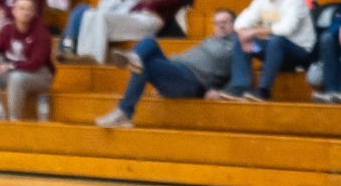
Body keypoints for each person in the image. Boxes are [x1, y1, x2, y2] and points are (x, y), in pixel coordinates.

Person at [95, 9, 240, 128]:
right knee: (149, 41)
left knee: (144, 65)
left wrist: (223, 92)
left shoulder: (237, 45)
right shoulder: (208, 41)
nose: (220, 26)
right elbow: (182, 58)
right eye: (216, 23)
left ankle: (124, 111)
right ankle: (134, 58)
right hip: (176, 71)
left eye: (224, 22)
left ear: (234, 24)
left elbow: (240, 75)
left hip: (192, 81)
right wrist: (165, 75)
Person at [225, 0, 318, 101]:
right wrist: (245, 34)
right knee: (241, 39)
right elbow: (240, 22)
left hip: (299, 53)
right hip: (272, 52)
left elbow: (286, 29)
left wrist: (254, 31)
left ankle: (263, 91)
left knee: (276, 40)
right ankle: (240, 86)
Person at [0, 0, 53, 122]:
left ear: (34, 12)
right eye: (21, 8)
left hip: (40, 75)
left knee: (16, 77)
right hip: (13, 71)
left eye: (29, 9)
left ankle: (14, 119)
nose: (25, 12)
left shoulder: (41, 33)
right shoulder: (7, 29)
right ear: (14, 11)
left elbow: (35, 63)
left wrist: (10, 66)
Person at [60, 0, 159, 64]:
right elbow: (102, 7)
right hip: (107, 16)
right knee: (83, 11)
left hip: (125, 20)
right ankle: (76, 52)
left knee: (84, 12)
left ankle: (70, 48)